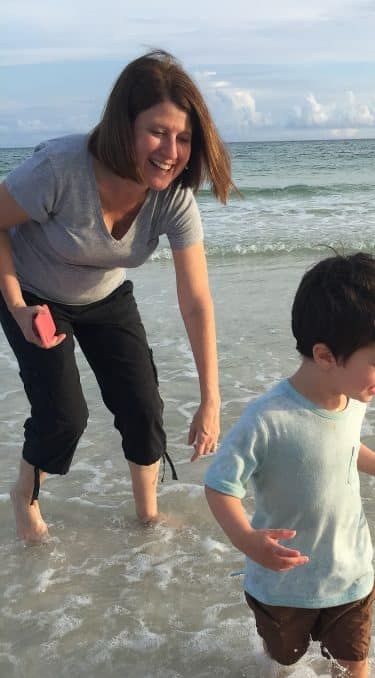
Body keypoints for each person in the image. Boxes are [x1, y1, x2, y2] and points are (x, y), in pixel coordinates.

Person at [0, 50, 235, 541]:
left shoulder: (173, 198)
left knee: (144, 407)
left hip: (104, 295)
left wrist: (210, 399)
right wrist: (18, 306)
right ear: (123, 125)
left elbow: (196, 300)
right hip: (34, 293)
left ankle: (147, 513)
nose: (170, 151)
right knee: (64, 417)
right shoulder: (60, 168)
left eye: (184, 138)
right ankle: (24, 494)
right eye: (158, 131)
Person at [204, 252, 375, 678]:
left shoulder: (353, 396)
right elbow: (219, 487)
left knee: (353, 660)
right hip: (284, 584)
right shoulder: (268, 419)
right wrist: (248, 541)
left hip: (349, 572)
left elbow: (343, 447)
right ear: (326, 355)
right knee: (283, 659)